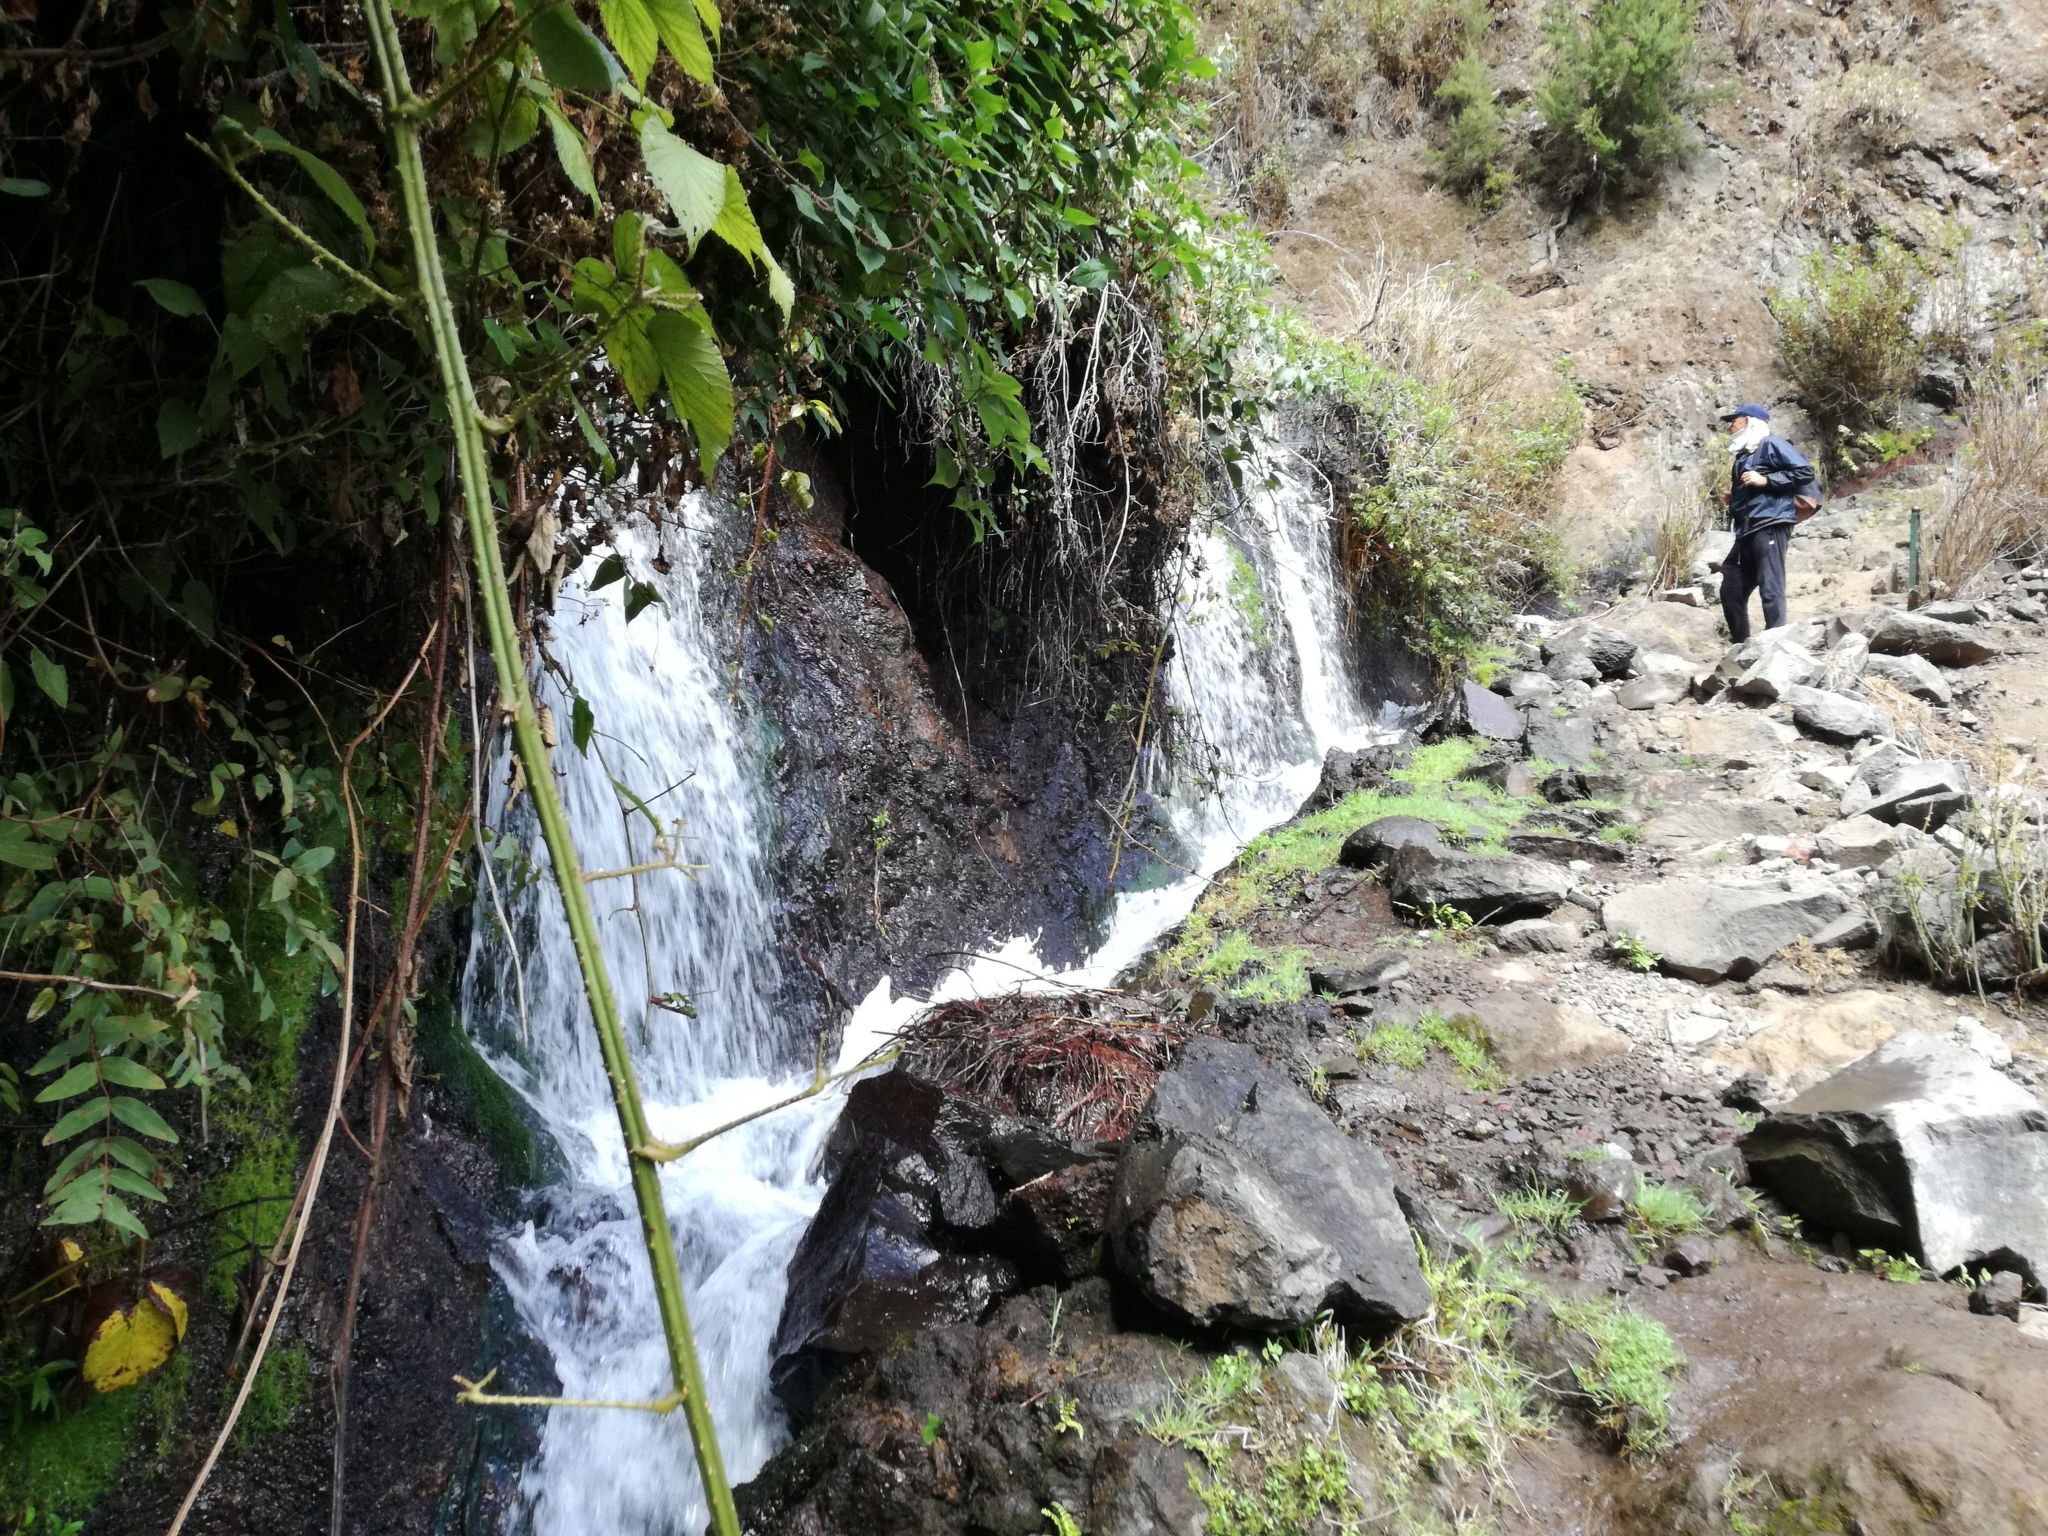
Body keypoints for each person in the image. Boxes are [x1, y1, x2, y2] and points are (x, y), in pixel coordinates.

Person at [1716, 403, 1815, 643]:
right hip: (1747, 529)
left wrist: (1766, 480)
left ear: (1750, 421)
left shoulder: (1771, 444)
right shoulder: (1743, 455)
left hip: (1770, 521)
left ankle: (1774, 643)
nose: (1731, 426)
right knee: (1731, 587)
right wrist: (1735, 496)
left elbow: (1804, 472)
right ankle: (1741, 645)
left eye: (1735, 420)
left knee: (1770, 585)